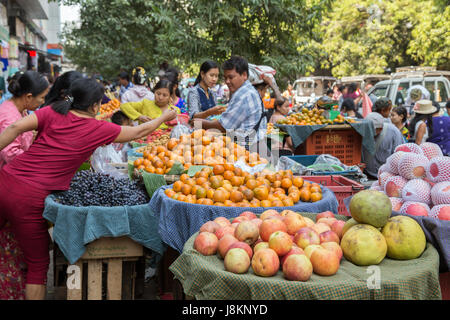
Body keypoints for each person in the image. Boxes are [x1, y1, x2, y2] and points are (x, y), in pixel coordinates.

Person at [0, 78, 176, 300]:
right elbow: (139, 132)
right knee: (37, 265)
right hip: (28, 197)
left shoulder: (53, 111)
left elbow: (15, 127)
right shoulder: (97, 127)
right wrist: (164, 117)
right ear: (94, 106)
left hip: (5, 180)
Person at [192, 56, 268, 156]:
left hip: (249, 150)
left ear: (244, 75)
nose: (227, 81)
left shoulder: (243, 95)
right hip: (253, 145)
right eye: (225, 78)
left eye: (231, 77)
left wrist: (202, 123)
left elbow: (224, 126)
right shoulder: (248, 90)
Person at [0, 71, 50, 168]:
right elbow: (10, 154)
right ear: (29, 97)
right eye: (42, 97)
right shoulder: (10, 117)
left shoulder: (20, 109)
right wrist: (38, 161)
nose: (43, 102)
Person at [363, 112, 404, 179]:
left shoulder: (394, 132)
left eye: (372, 130)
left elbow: (399, 155)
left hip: (386, 176)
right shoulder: (363, 132)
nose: (369, 132)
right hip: (366, 174)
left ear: (380, 128)